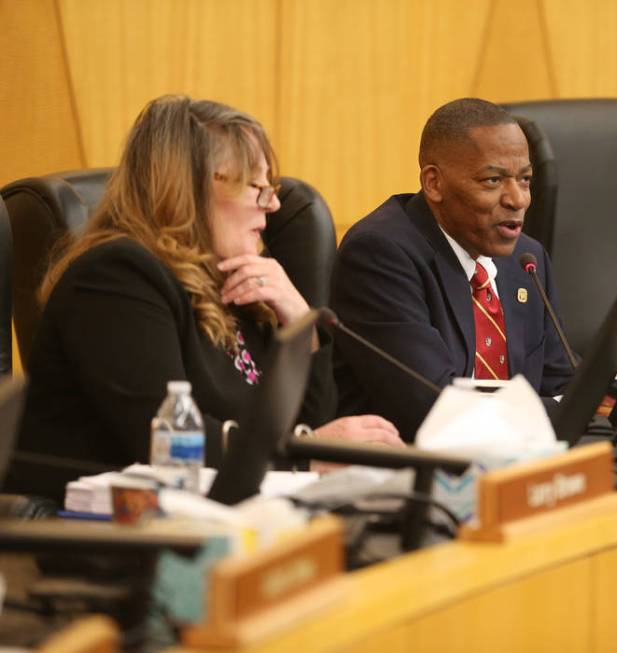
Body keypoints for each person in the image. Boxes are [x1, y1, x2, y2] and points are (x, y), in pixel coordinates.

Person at [6, 96, 400, 503]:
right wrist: (305, 455)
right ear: (194, 186)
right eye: (258, 187)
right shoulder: (115, 277)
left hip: (216, 512)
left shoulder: (237, 282)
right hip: (99, 534)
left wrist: (301, 320)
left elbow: (310, 423)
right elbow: (167, 439)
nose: (275, 204)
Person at [331, 98, 574, 441]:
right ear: (434, 183)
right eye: (493, 180)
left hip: (519, 469)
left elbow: (565, 382)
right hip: (406, 475)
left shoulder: (527, 260)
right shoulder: (381, 255)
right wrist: (560, 412)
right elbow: (435, 410)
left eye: (525, 179)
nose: (518, 199)